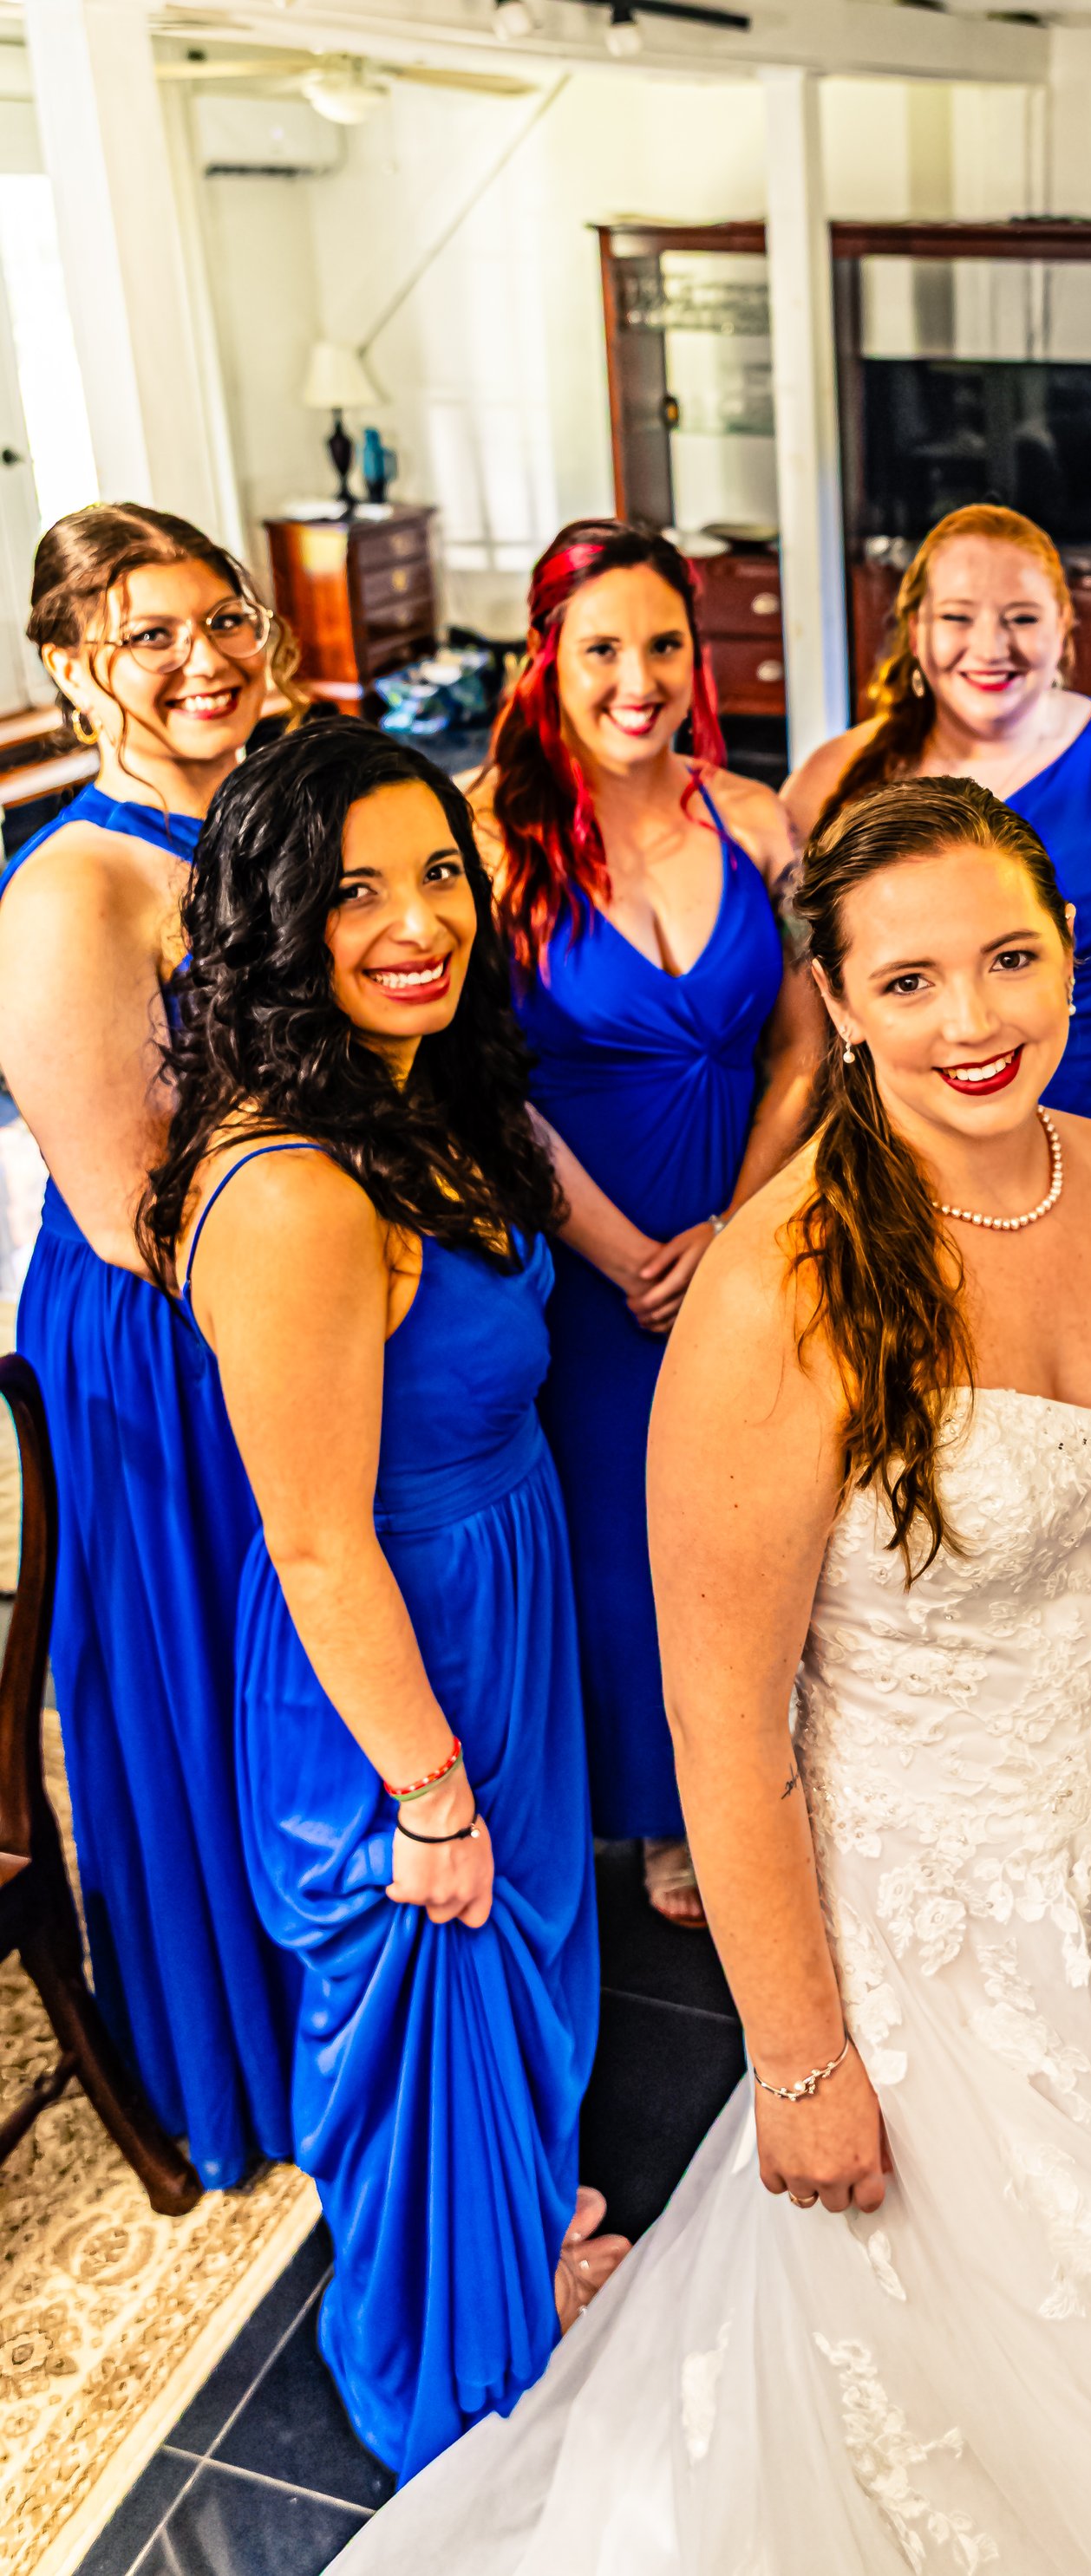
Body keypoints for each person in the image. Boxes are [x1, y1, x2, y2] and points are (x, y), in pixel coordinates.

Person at [325, 776, 1091, 2574]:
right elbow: (726, 1721)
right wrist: (795, 2065)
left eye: (1009, 959)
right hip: (949, 1894)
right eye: (911, 979)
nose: (973, 1019)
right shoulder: (781, 1291)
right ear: (838, 1005)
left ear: (1067, 957)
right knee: (1061, 2332)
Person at [141, 720, 620, 2481]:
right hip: (396, 1661)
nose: (417, 919)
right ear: (278, 922)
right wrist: (423, 1792)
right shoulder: (293, 1188)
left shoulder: (404, 1100)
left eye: (439, 872)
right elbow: (322, 1540)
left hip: (493, 1603)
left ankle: (514, 2252)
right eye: (355, 892)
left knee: (515, 1995)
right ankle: (461, 2374)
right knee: (432, 1987)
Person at [0, 503, 295, 2189]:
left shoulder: (263, 813)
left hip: (293, 1291)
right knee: (209, 1680)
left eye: (222, 618)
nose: (206, 659)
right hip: (169, 1342)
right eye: (151, 637)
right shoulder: (69, 889)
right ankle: (240, 2057)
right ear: (69, 671)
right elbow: (130, 1207)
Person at [473, 519, 822, 1929]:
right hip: (581, 1259)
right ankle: (651, 1811)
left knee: (759, 1524)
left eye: (664, 644)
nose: (639, 679)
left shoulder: (753, 818)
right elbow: (482, 1086)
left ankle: (749, 1780)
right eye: (603, 646)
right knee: (618, 1540)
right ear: (547, 657)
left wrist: (739, 1228)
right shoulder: (492, 840)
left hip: (747, 1226)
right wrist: (625, 1258)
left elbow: (806, 1041)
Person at [781, 503, 1091, 1153]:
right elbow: (806, 1018)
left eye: (1022, 618)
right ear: (915, 629)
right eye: (957, 617)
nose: (990, 646)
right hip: (907, 1155)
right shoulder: (829, 782)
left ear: (1064, 628)